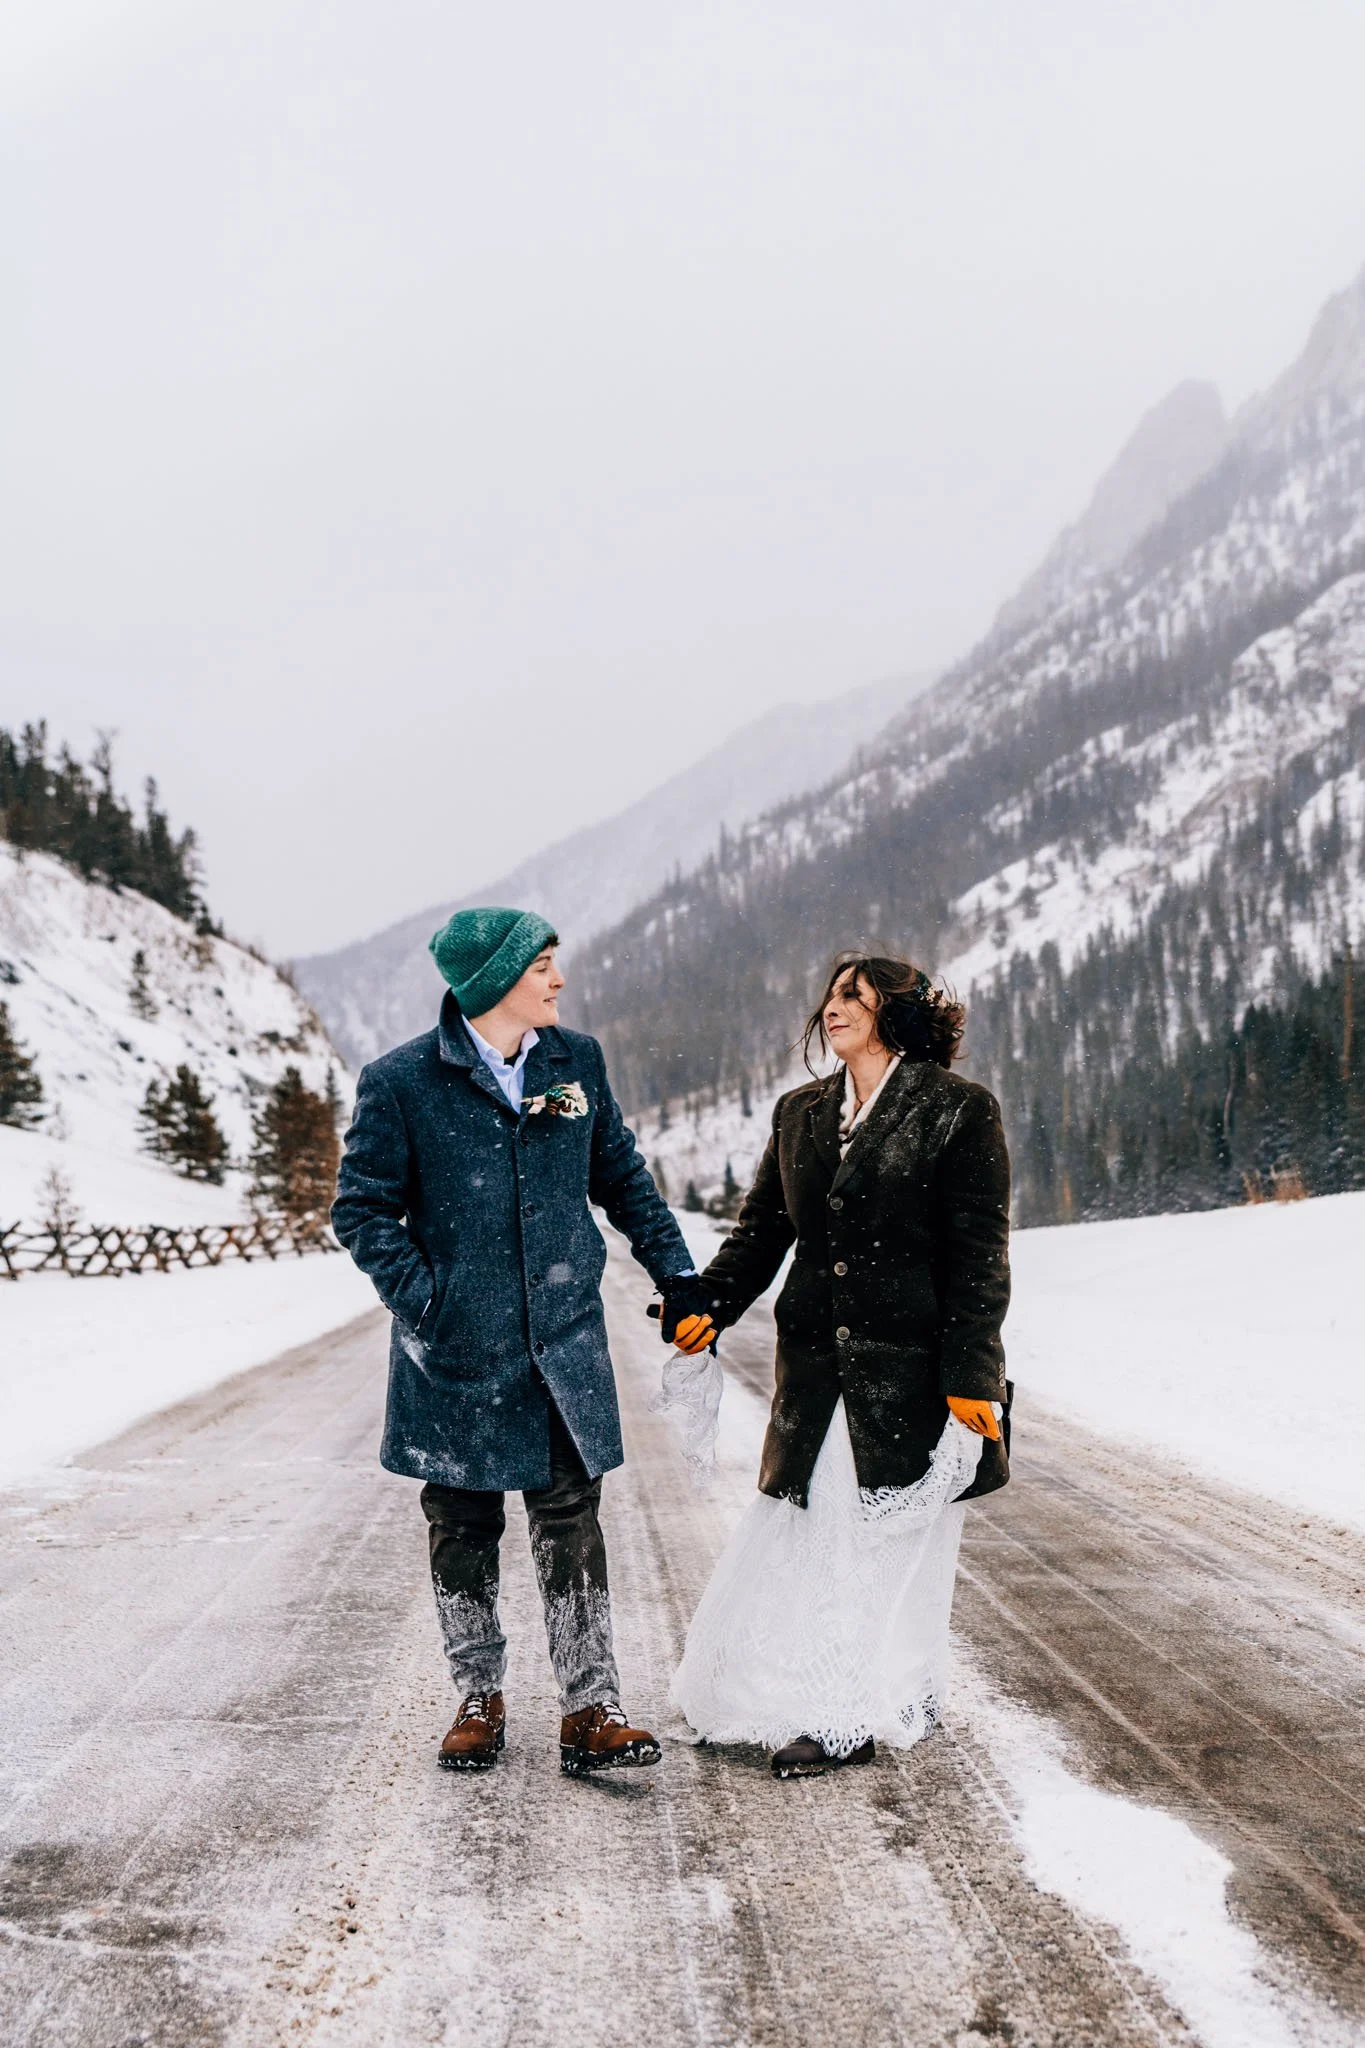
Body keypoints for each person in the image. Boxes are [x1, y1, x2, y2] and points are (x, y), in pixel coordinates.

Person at [332, 907, 716, 1776]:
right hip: (456, 1348)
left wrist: (675, 1274)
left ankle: (590, 1706)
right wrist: (428, 1303)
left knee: (570, 1514)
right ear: (495, 981)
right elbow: (358, 1208)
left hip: (562, 1340)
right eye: (544, 965)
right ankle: (478, 1694)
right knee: (461, 1519)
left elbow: (619, 1175)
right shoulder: (401, 1081)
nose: (559, 979)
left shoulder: (574, 1060)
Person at [669, 954, 1011, 1778]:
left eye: (855, 995)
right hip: (816, 1367)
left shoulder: (957, 1110)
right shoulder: (801, 1113)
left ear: (897, 1012)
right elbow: (761, 1231)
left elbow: (979, 1256)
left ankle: (847, 1711)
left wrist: (970, 1372)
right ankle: (862, 1690)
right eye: (829, 993)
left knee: (885, 1540)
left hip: (914, 1370)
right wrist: (708, 1306)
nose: (833, 1006)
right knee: (821, 1529)